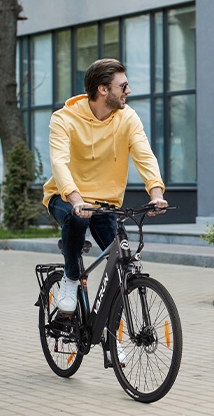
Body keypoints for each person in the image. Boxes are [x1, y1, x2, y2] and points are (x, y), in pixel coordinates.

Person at [43, 58, 167, 314]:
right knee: (76, 219)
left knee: (123, 266)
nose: (128, 91)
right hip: (65, 197)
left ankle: (111, 332)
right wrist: (76, 199)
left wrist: (156, 193)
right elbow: (59, 162)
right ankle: (71, 278)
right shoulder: (64, 119)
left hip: (105, 204)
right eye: (123, 86)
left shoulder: (128, 117)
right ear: (102, 89)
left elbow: (144, 155)